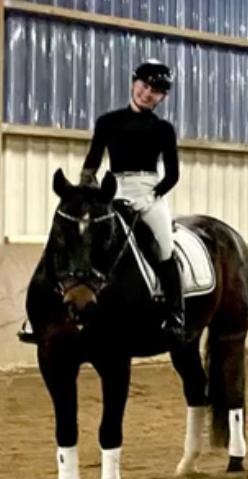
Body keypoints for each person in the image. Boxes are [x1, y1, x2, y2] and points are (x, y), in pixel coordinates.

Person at [18, 59, 181, 345]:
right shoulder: (108, 121)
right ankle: (39, 315)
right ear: (134, 83)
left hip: (148, 192)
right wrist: (86, 187)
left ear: (162, 97)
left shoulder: (163, 129)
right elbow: (93, 159)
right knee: (72, 237)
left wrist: (151, 196)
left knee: (165, 246)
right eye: (144, 86)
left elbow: (173, 174)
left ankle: (176, 315)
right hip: (111, 190)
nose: (147, 93)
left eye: (155, 91)